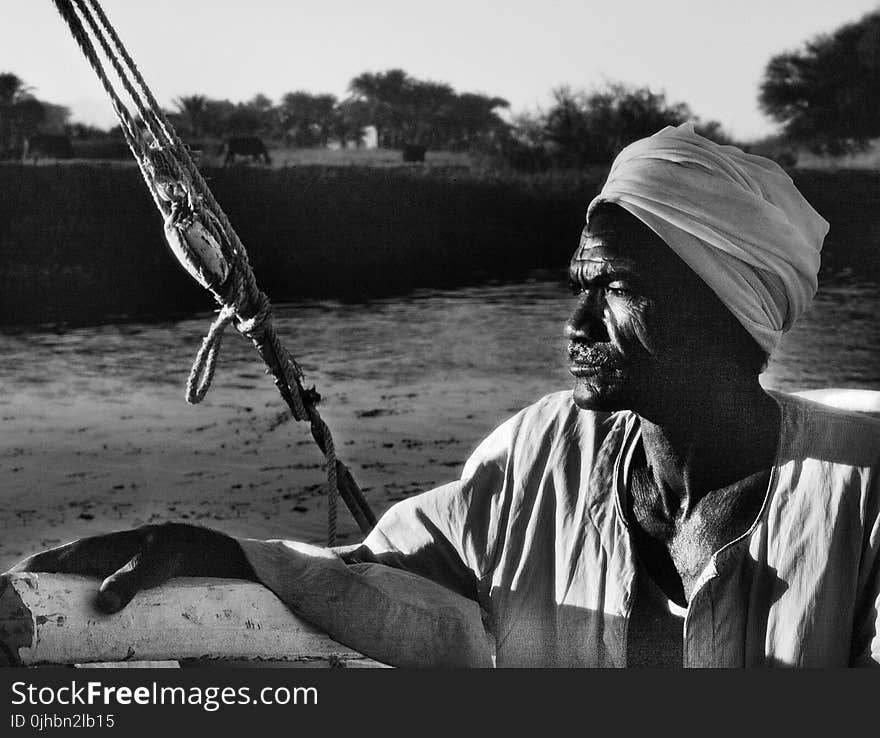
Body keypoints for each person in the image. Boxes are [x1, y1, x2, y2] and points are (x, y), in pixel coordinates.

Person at [9, 124, 880, 667]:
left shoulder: (861, 498)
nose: (576, 320)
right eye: (577, 282)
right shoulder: (540, 454)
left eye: (613, 288)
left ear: (731, 310)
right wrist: (219, 550)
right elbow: (377, 571)